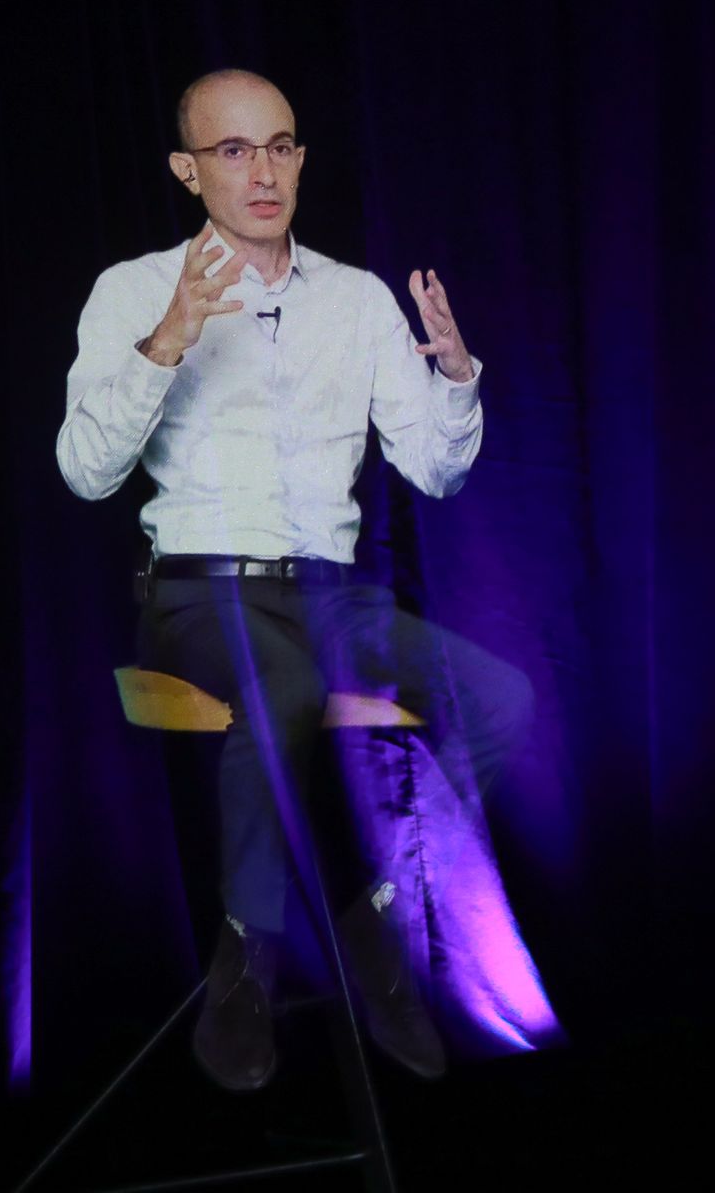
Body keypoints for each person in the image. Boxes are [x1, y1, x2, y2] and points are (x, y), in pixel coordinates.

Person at [56, 69, 533, 1091]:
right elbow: (83, 469)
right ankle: (246, 967)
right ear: (190, 170)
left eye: (279, 146)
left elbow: (439, 474)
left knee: (498, 698)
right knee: (280, 687)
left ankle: (375, 911)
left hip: (330, 596)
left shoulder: (357, 300)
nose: (262, 170)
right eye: (233, 151)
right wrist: (169, 339)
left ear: (302, 158)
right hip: (197, 592)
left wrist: (454, 378)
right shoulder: (134, 289)